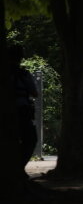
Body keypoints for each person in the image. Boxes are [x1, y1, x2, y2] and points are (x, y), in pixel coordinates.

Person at [8, 44, 38, 179]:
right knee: (31, 139)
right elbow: (34, 92)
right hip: (22, 111)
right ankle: (18, 168)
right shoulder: (23, 74)